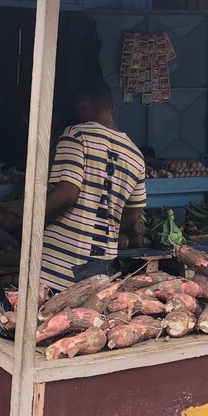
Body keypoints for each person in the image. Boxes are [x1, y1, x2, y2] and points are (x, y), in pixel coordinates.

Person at [40, 82, 147, 291]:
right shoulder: (136, 155)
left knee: (47, 320)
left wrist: (25, 222)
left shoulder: (76, 135)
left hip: (60, 265)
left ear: (82, 102)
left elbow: (67, 194)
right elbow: (133, 216)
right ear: (111, 108)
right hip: (102, 268)